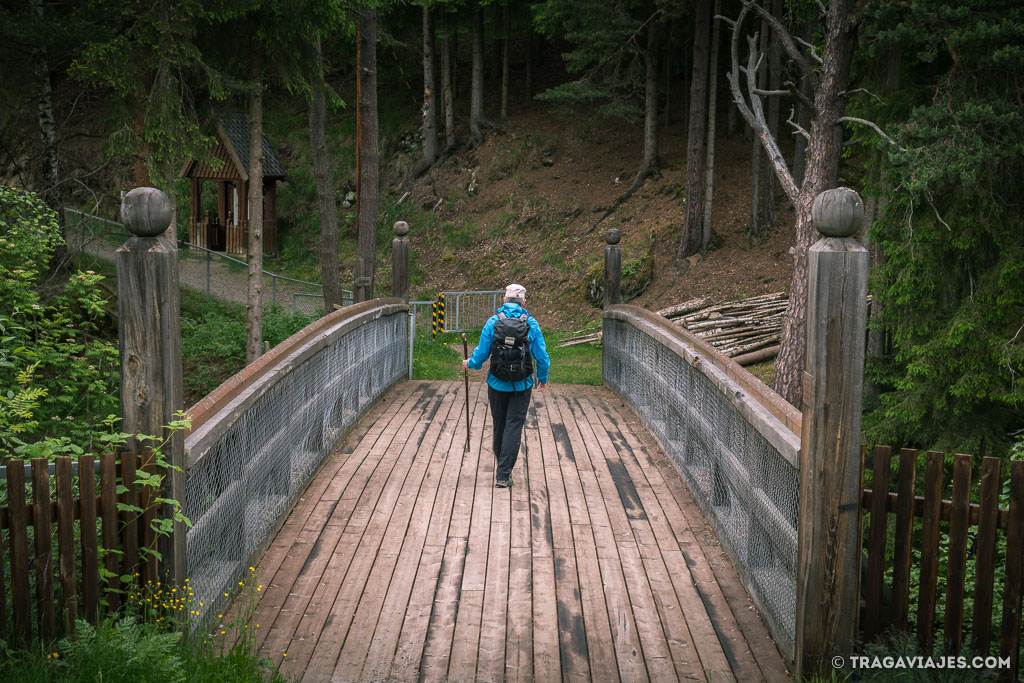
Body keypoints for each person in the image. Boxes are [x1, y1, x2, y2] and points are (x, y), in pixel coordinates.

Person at [463, 283, 550, 488]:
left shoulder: (493, 322)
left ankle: (501, 464)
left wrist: (471, 364)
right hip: (521, 385)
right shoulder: (532, 324)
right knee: (514, 426)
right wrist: (542, 378)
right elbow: (542, 356)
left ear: (504, 300)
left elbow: (483, 352)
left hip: (496, 383)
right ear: (523, 302)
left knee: (499, 424)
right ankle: (503, 474)